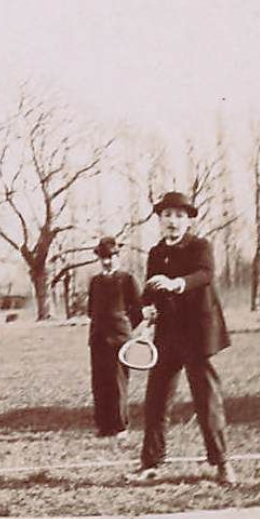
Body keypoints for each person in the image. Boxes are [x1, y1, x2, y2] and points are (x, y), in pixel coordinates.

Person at [127, 192, 234, 486]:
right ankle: (151, 464)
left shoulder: (200, 246)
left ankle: (222, 464)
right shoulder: (155, 252)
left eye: (178, 216)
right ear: (159, 220)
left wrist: (177, 284)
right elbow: (150, 290)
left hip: (197, 334)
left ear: (188, 220)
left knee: (206, 399)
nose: (172, 221)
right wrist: (146, 308)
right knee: (156, 401)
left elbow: (205, 274)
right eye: (166, 216)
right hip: (167, 335)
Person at [87, 235, 143, 440]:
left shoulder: (127, 279)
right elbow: (91, 310)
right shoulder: (95, 281)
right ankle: (103, 426)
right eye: (103, 257)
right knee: (99, 383)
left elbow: (138, 311)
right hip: (98, 339)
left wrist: (124, 329)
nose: (107, 261)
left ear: (118, 256)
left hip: (120, 339)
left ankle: (120, 427)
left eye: (110, 257)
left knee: (118, 383)